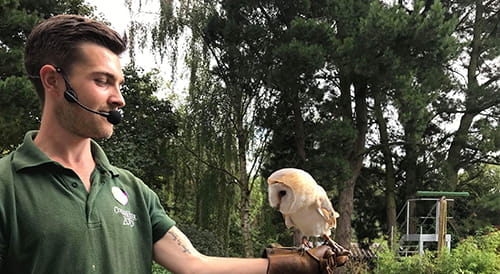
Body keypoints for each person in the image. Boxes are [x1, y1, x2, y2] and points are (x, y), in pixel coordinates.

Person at [0, 14, 340, 274]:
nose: (119, 98)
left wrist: (300, 264)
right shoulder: (6, 186)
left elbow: (194, 265)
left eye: (120, 84)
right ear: (52, 80)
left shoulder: (133, 191)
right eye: (102, 81)